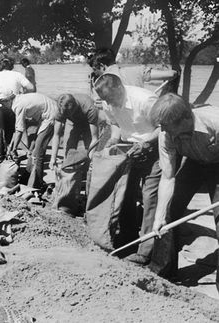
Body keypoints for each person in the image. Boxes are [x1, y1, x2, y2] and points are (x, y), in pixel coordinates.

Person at [149, 93, 219, 286]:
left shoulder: (215, 121)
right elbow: (168, 176)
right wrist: (159, 216)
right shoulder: (166, 134)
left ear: (186, 119)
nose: (162, 130)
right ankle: (162, 274)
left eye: (166, 126)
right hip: (194, 164)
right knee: (169, 213)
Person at [94, 73, 160, 265]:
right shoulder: (108, 102)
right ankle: (127, 239)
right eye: (105, 100)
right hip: (129, 148)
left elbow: (164, 128)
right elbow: (115, 124)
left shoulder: (145, 100)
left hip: (153, 147)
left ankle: (145, 251)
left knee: (150, 198)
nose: (109, 103)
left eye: (110, 98)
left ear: (119, 88)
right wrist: (113, 142)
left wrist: (147, 143)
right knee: (125, 194)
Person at [49, 93, 100, 216]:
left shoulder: (89, 108)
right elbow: (56, 135)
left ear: (75, 106)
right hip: (72, 123)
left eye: (70, 113)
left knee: (90, 157)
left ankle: (88, 197)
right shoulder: (61, 109)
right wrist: (53, 158)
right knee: (69, 156)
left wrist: (91, 156)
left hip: (88, 124)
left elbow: (95, 138)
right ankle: (67, 196)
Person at [2, 91, 58, 189]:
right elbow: (17, 129)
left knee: (38, 154)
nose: (2, 105)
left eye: (2, 103)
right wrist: (11, 145)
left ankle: (37, 185)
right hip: (44, 115)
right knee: (32, 151)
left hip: (51, 116)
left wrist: (14, 149)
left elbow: (19, 130)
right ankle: (26, 179)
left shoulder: (17, 105)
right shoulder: (19, 99)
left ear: (7, 100)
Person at [0, 58, 35, 162]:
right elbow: (31, 87)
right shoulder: (17, 74)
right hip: (13, 106)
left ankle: (0, 155)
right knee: (11, 131)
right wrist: (22, 94)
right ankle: (12, 152)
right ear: (11, 66)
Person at [88, 48, 177, 89]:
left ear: (102, 66)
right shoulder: (136, 71)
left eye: (95, 69)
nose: (95, 73)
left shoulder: (102, 83)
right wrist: (176, 72)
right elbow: (171, 74)